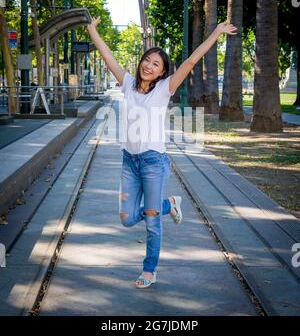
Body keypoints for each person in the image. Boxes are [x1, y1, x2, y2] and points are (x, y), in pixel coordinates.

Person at [87, 17, 237, 289]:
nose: (149, 65)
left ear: (162, 72)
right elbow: (108, 57)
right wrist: (92, 31)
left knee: (152, 222)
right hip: (129, 162)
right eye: (147, 60)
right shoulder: (128, 83)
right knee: (127, 218)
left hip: (154, 162)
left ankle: (149, 270)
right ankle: (169, 204)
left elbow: (191, 62)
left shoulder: (165, 89)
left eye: (156, 64)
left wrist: (216, 32)